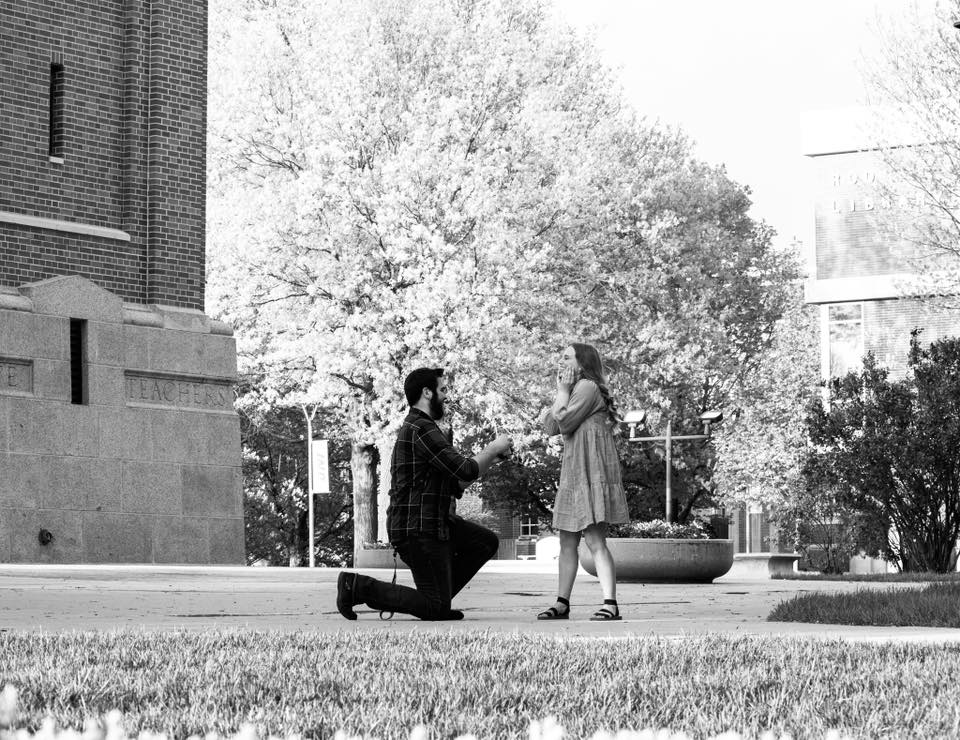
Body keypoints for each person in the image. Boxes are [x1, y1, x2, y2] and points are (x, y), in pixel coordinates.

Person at [336, 367, 513, 621]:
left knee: (484, 542)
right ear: (427, 393)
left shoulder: (424, 428)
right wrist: (493, 446)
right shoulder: (421, 428)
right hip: (417, 529)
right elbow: (465, 468)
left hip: (433, 524)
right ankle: (357, 587)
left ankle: (435, 598)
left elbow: (458, 482)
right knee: (435, 608)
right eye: (443, 390)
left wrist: (493, 458)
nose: (447, 396)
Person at [536, 343, 628, 621]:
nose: (560, 359)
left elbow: (561, 423)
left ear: (581, 362)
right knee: (566, 541)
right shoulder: (574, 390)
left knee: (594, 539)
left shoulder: (587, 387)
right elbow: (551, 427)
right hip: (575, 473)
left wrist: (562, 393)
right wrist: (562, 393)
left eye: (566, 356)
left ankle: (610, 604)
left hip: (591, 472)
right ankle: (562, 603)